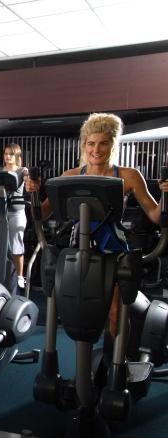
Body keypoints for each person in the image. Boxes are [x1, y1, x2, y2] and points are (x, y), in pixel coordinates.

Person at [25, 112, 168, 337]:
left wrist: (166, 195)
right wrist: (33, 191)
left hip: (113, 249)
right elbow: (42, 214)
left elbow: (155, 215)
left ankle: (118, 357)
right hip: (78, 249)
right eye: (91, 143)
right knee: (78, 311)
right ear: (84, 145)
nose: (96, 149)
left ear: (113, 144)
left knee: (116, 313)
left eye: (103, 143)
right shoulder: (70, 175)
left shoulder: (129, 176)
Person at [0, 143, 29, 289]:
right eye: (6, 153)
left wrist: (29, 178)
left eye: (11, 154)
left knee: (16, 244)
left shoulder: (22, 170)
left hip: (16, 211)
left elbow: (28, 183)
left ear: (17, 156)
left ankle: (20, 276)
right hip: (0, 211)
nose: (8, 156)